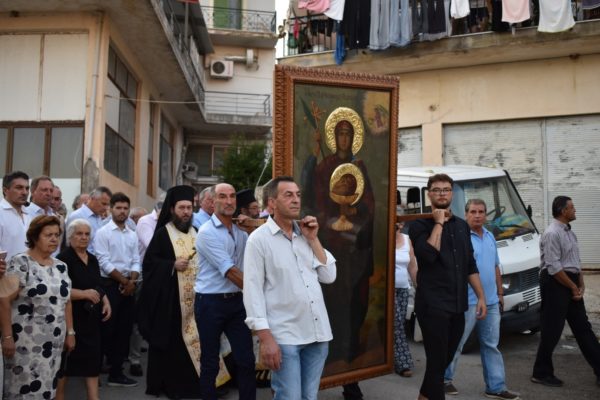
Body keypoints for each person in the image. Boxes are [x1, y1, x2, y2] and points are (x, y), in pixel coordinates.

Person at [243, 176, 336, 400]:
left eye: (298, 195)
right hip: (285, 336)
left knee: (309, 397)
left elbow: (329, 276)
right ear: (271, 203)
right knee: (289, 397)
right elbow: (253, 292)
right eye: (288, 195)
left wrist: (313, 239)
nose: (296, 200)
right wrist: (266, 339)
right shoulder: (259, 240)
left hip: (317, 334)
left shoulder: (306, 234)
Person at [409, 173, 487, 400]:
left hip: (457, 305)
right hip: (432, 305)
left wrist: (481, 297)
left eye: (446, 190)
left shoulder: (462, 226)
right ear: (429, 194)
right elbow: (428, 256)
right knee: (437, 361)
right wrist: (439, 222)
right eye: (437, 190)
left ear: (452, 193)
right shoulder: (419, 225)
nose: (442, 194)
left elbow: (469, 264)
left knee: (443, 361)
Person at [313, 116, 375, 399]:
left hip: (356, 252)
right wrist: (329, 218)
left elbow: (370, 204)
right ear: (334, 137)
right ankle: (330, 362)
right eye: (340, 134)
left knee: (356, 304)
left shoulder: (359, 167)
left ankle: (351, 372)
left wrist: (356, 212)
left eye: (349, 134)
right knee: (334, 304)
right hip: (332, 249)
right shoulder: (324, 166)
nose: (344, 139)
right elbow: (317, 202)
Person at [443, 199, 519, 399]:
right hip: (467, 302)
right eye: (473, 212)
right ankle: (443, 380)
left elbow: (495, 266)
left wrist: (500, 294)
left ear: (486, 215)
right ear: (466, 214)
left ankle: (495, 387)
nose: (477, 215)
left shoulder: (489, 235)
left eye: (481, 212)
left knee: (491, 345)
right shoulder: (460, 237)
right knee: (457, 342)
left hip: (491, 302)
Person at [137, 185, 208, 398]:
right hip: (170, 303)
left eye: (189, 208)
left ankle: (196, 385)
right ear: (172, 209)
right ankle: (172, 386)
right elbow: (150, 265)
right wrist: (171, 265)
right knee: (173, 344)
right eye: (181, 208)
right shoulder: (162, 234)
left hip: (196, 302)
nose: (186, 212)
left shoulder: (197, 233)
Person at [0, 215, 75, 400]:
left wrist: (70, 333)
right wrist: (7, 336)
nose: (54, 239)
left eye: (57, 235)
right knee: (24, 390)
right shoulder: (20, 262)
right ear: (34, 237)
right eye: (48, 235)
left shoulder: (61, 267)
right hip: (25, 343)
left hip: (54, 343)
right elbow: (4, 300)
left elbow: (66, 301)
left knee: (48, 389)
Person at [531, 196, 600, 388]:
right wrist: (572, 286)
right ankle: (541, 373)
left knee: (583, 328)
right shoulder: (552, 233)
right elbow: (553, 266)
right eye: (572, 207)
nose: (575, 210)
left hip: (569, 280)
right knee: (552, 329)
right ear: (563, 211)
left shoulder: (570, 233)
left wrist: (581, 284)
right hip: (555, 282)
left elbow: (575, 262)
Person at [195, 183, 256, 400]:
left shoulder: (241, 231)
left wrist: (252, 228)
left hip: (237, 301)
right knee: (210, 361)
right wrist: (260, 293)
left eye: (232, 196)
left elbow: (256, 256)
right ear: (213, 202)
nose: (229, 201)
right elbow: (230, 271)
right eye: (222, 196)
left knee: (246, 360)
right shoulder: (206, 232)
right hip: (210, 303)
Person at [55, 219, 112, 400]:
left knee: (92, 362)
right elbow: (58, 291)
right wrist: (84, 294)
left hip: (91, 319)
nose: (84, 237)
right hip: (71, 318)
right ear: (70, 237)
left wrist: (105, 300)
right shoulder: (62, 259)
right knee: (65, 366)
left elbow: (98, 284)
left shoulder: (92, 259)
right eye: (79, 234)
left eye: (87, 234)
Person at [94, 192, 140, 387]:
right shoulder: (103, 232)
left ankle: (116, 373)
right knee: (106, 330)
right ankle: (94, 373)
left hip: (128, 286)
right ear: (111, 209)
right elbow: (103, 261)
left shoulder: (132, 234)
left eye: (125, 208)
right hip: (110, 285)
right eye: (118, 208)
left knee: (124, 330)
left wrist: (132, 282)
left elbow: (136, 260)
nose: (122, 211)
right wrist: (124, 282)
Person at [394, 220, 418, 378]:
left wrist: (418, 287)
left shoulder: (407, 239)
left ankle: (387, 357)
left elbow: (412, 265)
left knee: (399, 324)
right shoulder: (383, 239)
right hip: (386, 289)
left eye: (399, 223)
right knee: (396, 323)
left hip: (403, 288)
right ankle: (403, 363)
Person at [66, 186, 112, 254]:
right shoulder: (77, 216)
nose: (106, 208)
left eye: (108, 205)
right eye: (103, 204)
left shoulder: (99, 218)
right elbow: (70, 244)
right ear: (92, 199)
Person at [0, 171, 31, 261]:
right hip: (6, 269)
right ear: (5, 190)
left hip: (30, 268)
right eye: (19, 188)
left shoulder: (29, 215)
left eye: (27, 188)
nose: (24, 192)